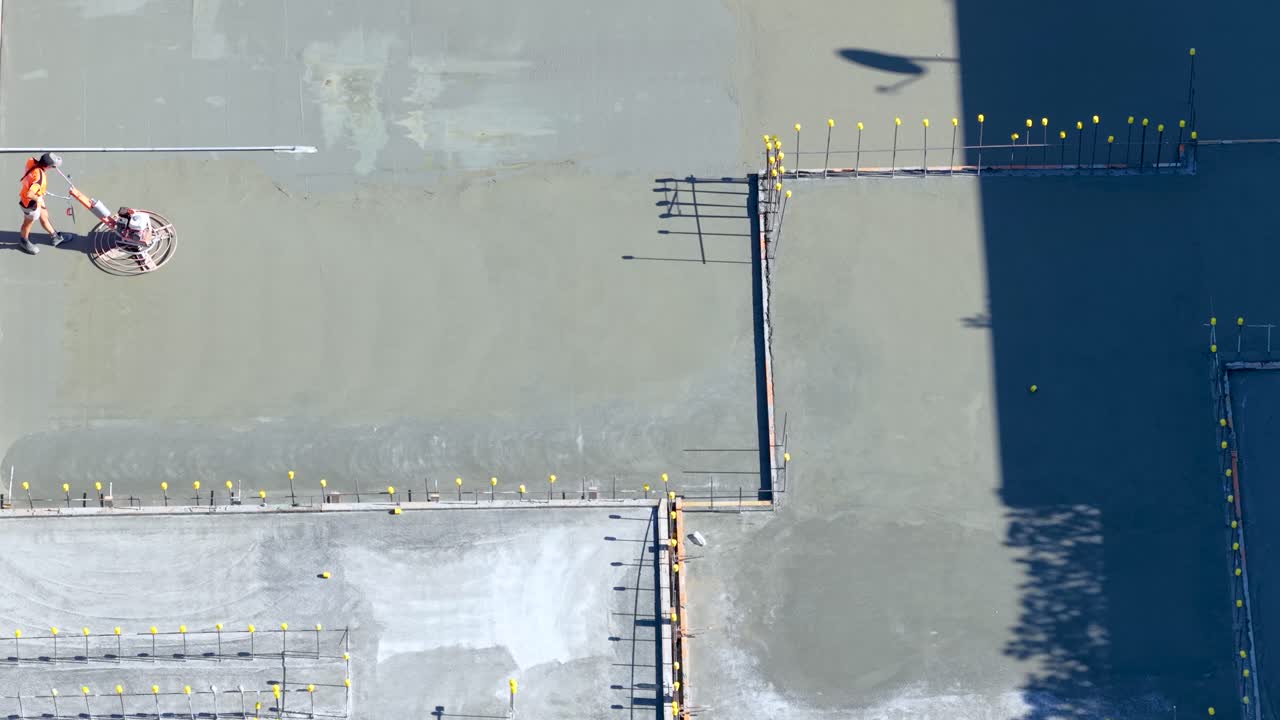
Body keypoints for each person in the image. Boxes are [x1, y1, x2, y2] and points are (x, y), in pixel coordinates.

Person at [16, 152, 69, 255]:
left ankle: (55, 237)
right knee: (27, 223)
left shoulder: (31, 161)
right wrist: (38, 199)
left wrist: (39, 193)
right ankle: (24, 241)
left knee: (44, 216)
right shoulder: (40, 178)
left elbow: (31, 180)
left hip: (36, 196)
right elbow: (29, 194)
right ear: (49, 167)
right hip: (30, 204)